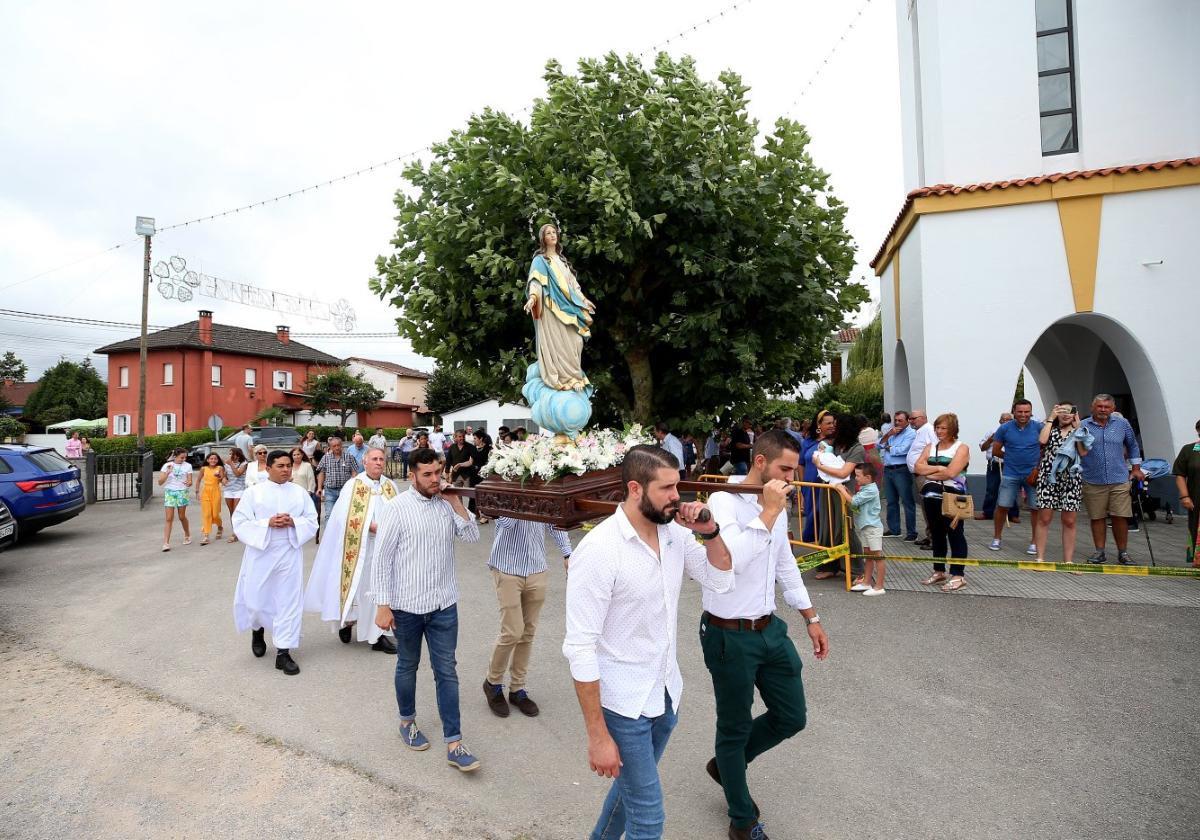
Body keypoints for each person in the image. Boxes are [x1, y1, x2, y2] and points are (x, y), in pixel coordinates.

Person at [563, 446, 732, 840]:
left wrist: (710, 533)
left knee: (628, 797)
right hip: (623, 705)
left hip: (666, 693)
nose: (678, 496)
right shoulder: (600, 550)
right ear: (636, 488)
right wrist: (598, 735)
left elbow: (720, 580)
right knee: (649, 818)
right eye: (668, 488)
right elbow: (580, 647)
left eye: (678, 485)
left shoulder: (674, 532)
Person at [703, 431, 828, 840]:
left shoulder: (777, 506)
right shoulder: (723, 500)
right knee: (734, 726)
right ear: (760, 463)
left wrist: (810, 616)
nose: (792, 477)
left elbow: (784, 561)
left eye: (795, 469)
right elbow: (733, 559)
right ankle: (742, 821)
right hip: (728, 634)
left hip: (769, 628)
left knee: (792, 717)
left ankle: (727, 767)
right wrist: (769, 513)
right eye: (785, 469)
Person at [371, 447, 482, 772]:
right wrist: (383, 604)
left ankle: (455, 743)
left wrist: (457, 503)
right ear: (412, 476)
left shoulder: (447, 504)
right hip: (406, 607)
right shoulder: (397, 509)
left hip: (444, 604)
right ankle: (407, 722)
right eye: (428, 475)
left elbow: (474, 537)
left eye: (438, 472)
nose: (436, 479)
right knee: (408, 665)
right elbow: (382, 560)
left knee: (446, 670)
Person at [232, 450, 319, 676]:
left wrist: (294, 523)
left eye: (288, 465)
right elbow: (240, 522)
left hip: (289, 551)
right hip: (261, 552)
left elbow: (312, 520)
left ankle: (283, 652)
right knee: (257, 600)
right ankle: (257, 628)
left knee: (288, 602)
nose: (286, 469)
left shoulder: (299, 493)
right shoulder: (254, 493)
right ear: (268, 468)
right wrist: (266, 523)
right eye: (280, 466)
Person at [305, 447, 399, 653]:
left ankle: (377, 635)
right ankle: (348, 622)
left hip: (384, 550)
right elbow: (343, 516)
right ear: (364, 462)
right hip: (357, 550)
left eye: (381, 459)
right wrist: (370, 527)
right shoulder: (354, 485)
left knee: (380, 588)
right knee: (356, 587)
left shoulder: (390, 486)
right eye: (374, 459)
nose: (378, 462)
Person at [482, 516, 572, 718]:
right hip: (507, 567)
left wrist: (567, 553)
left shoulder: (543, 485)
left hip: (536, 566)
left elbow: (555, 520)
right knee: (512, 632)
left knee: (528, 632)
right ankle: (493, 683)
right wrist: (521, 495)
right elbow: (505, 522)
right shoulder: (506, 485)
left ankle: (517, 688)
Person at [524, 223, 596, 391]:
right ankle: (565, 379)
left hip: (569, 307)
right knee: (556, 342)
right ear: (543, 239)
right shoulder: (540, 260)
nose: (552, 235)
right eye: (548, 233)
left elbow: (572, 284)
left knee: (576, 342)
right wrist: (533, 298)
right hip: (551, 309)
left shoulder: (562, 261)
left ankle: (574, 376)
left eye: (554, 232)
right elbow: (535, 282)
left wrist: (583, 300)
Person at [1079, 394, 1144, 565]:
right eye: (1099, 406)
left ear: (1113, 409)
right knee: (1097, 517)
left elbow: (1132, 445)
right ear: (1093, 407)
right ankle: (1100, 552)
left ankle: (1123, 553)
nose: (1102, 410)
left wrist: (1136, 469)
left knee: (1120, 516)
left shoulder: (1122, 424)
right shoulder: (1082, 425)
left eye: (1106, 407)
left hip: (1119, 478)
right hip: (1092, 478)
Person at [914, 413, 971, 592]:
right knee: (936, 534)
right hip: (931, 496)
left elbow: (952, 473)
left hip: (953, 496)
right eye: (937, 427)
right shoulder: (931, 447)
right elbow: (917, 466)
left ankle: (958, 575)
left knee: (955, 534)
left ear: (953, 429)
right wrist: (939, 468)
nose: (939, 431)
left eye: (943, 428)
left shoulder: (961, 448)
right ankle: (939, 571)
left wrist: (930, 473)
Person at [812, 413, 865, 580]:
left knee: (845, 528)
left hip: (844, 492)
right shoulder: (833, 444)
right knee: (826, 528)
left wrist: (820, 465)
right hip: (828, 490)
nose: (833, 427)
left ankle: (856, 569)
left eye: (836, 424)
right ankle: (830, 566)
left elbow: (843, 473)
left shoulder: (857, 448)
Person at [1034, 403, 1089, 563]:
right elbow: (1042, 441)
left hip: (1071, 478)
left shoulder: (1079, 430)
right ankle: (1040, 558)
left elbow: (1084, 452)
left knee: (1070, 520)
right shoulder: (1050, 427)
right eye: (1062, 411)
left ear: (1075, 414)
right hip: (1048, 477)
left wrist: (1078, 427)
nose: (1066, 414)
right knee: (1044, 518)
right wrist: (1051, 418)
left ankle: (1068, 561)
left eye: (1069, 411)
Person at [990, 400, 1044, 556]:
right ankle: (997, 538)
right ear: (1014, 411)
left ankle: (1034, 542)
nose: (1023, 415)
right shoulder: (1004, 428)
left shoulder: (1039, 427)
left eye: (1027, 412)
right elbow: (995, 450)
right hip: (1010, 473)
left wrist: (1039, 465)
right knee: (1002, 506)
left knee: (1035, 508)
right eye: (1020, 411)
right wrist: (1010, 457)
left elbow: (1047, 447)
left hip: (1032, 474)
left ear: (1031, 412)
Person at [837, 462, 885, 595]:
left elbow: (854, 502)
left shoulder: (871, 490)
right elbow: (855, 501)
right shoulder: (865, 488)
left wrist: (842, 490)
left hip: (872, 527)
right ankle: (866, 582)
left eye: (858, 476)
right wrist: (848, 492)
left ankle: (879, 586)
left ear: (868, 477)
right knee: (867, 556)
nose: (856, 478)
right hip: (865, 527)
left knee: (877, 556)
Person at [878, 410, 917, 540]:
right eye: (896, 420)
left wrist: (888, 447)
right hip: (888, 469)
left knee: (907, 501)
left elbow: (901, 450)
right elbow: (878, 445)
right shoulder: (892, 432)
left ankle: (911, 532)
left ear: (907, 421)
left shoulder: (911, 433)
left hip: (901, 470)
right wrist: (888, 435)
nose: (897, 423)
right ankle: (894, 529)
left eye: (900, 420)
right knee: (891, 501)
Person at [905, 409, 939, 549]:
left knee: (930, 507)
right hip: (920, 474)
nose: (911, 421)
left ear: (924, 418)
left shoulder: (928, 430)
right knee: (925, 507)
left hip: (925, 475)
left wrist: (927, 469)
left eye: (914, 418)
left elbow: (935, 450)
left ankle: (934, 539)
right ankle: (929, 535)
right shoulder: (920, 431)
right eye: (910, 419)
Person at [799, 410, 833, 545]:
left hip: (826, 486)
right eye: (828, 423)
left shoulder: (834, 442)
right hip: (809, 486)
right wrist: (802, 486)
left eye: (833, 423)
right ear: (819, 424)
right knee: (811, 516)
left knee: (821, 515)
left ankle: (824, 547)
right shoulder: (808, 441)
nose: (832, 426)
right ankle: (818, 549)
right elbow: (801, 464)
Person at [1172, 419, 1200, 566]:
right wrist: (1185, 496)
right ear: (1198, 430)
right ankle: (1198, 562)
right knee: (1196, 529)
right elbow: (1180, 475)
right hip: (1196, 499)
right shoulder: (1189, 450)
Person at [978, 412, 1016, 522]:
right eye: (1003, 419)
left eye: (1008, 420)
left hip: (1009, 464)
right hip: (994, 464)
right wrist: (991, 439)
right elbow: (982, 448)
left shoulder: (1015, 432)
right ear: (999, 421)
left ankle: (1013, 514)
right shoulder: (992, 431)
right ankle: (988, 512)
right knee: (991, 489)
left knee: (1011, 488)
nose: (1005, 421)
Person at [316, 436, 360, 528]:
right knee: (329, 515)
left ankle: (343, 536)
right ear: (330, 447)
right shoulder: (326, 458)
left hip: (345, 491)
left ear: (342, 445)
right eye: (334, 446)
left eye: (338, 445)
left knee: (345, 515)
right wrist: (319, 488)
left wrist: (353, 485)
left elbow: (354, 471)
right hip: (330, 491)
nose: (336, 447)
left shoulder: (349, 457)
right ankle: (329, 539)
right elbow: (321, 472)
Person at [159, 447, 193, 551]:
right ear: (175, 456)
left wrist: (189, 483)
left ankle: (187, 534)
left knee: (181, 517)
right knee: (169, 518)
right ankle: (166, 543)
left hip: (182, 492)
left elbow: (190, 481)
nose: (183, 459)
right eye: (181, 457)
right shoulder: (167, 466)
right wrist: (167, 473)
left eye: (185, 457)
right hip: (170, 492)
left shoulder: (188, 466)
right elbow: (160, 482)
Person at [196, 452, 227, 546]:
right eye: (211, 458)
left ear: (217, 461)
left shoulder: (220, 468)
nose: (213, 460)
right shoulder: (203, 469)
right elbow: (198, 480)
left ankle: (220, 527)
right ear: (208, 460)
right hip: (205, 492)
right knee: (207, 514)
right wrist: (197, 492)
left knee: (215, 515)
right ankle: (206, 536)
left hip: (216, 492)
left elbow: (223, 480)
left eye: (215, 459)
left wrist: (220, 477)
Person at [446, 430, 478, 514]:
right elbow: (448, 461)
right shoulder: (452, 447)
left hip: (467, 474)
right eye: (460, 436)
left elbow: (473, 461)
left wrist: (461, 464)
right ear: (455, 437)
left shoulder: (470, 447)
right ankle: (461, 512)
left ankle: (475, 512)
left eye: (463, 436)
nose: (462, 438)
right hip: (456, 475)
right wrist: (447, 473)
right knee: (457, 496)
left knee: (471, 494)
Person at [223, 448, 248, 543]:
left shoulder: (244, 463)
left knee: (236, 511)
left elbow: (238, 474)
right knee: (231, 512)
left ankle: (236, 533)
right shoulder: (227, 464)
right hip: (228, 489)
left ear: (237, 455)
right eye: (229, 454)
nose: (230, 456)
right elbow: (225, 475)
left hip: (239, 489)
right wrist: (223, 479)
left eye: (232, 454)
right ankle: (235, 530)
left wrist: (231, 464)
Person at [471, 431, 494, 523]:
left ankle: (485, 515)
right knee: (474, 495)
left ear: (481, 439)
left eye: (475, 438)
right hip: (474, 475)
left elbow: (491, 462)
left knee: (484, 495)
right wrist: (459, 465)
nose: (474, 440)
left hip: (484, 475)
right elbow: (470, 462)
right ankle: (475, 513)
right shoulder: (473, 448)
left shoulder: (489, 449)